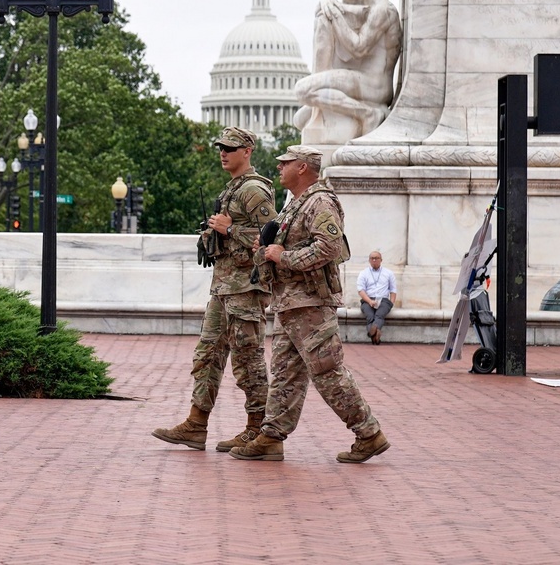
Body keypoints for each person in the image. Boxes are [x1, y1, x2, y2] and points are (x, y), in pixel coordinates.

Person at [230, 145, 389, 463]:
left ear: (302, 167)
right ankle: (272, 436)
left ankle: (369, 434)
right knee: (286, 373)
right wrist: (266, 248)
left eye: (285, 163)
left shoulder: (320, 201)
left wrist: (283, 256)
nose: (279, 167)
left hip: (311, 304)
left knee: (327, 372)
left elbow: (330, 248)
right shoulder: (296, 204)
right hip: (291, 303)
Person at [152, 126, 278, 452]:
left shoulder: (254, 190)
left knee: (247, 360)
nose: (223, 152)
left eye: (231, 148)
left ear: (247, 151)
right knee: (207, 354)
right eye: (221, 147)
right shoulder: (232, 189)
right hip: (223, 286)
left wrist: (231, 228)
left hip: (245, 289)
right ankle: (196, 424)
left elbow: (272, 237)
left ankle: (258, 430)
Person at [293, 0, 402, 143]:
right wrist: (328, 3)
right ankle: (330, 113)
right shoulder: (375, 8)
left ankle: (367, 114)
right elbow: (345, 4)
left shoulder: (384, 10)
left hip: (373, 86)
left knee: (302, 90)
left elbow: (359, 48)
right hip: (361, 82)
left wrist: (333, 13)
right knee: (300, 118)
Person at [357, 251, 397, 345]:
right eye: (372, 258)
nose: (374, 260)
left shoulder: (388, 273)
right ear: (369, 260)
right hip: (367, 299)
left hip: (383, 300)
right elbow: (360, 290)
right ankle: (376, 334)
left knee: (379, 315)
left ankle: (372, 332)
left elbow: (393, 290)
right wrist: (369, 301)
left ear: (381, 260)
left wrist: (391, 303)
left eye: (376, 258)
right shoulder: (363, 273)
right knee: (370, 316)